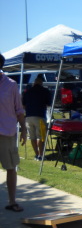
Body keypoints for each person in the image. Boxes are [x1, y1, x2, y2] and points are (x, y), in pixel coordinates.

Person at [0, 54, 27, 213]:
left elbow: (19, 109)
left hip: (7, 133)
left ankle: (12, 201)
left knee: (11, 168)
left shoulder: (10, 85)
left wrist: (24, 128)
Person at [22, 75, 52, 161]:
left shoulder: (27, 92)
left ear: (34, 83)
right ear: (41, 83)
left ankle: (36, 154)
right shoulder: (45, 91)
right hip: (40, 116)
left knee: (32, 137)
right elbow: (49, 104)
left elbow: (23, 105)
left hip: (28, 117)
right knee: (40, 137)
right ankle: (41, 155)